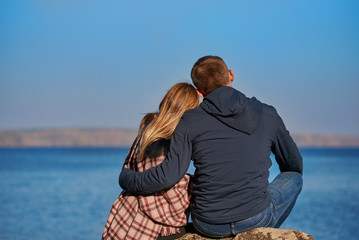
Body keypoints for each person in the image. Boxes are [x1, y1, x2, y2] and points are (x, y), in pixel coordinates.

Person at [119, 56, 303, 238]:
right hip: (254, 219)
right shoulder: (267, 113)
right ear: (231, 74)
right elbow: (294, 165)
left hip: (207, 224)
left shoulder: (189, 120)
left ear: (199, 92)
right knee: (294, 178)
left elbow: (168, 176)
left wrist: (127, 178)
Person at [102, 82, 200, 240]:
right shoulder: (176, 140)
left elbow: (128, 167)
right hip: (156, 224)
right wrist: (192, 182)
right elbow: (170, 192)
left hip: (127, 211)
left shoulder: (148, 129)